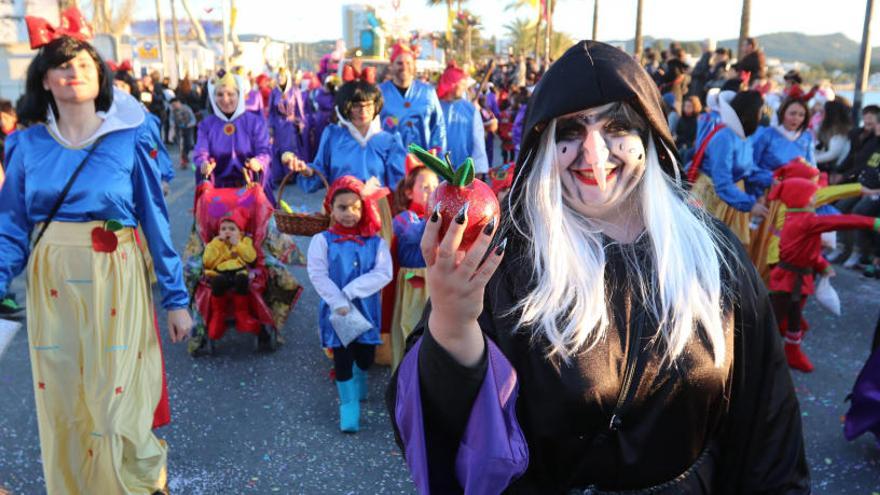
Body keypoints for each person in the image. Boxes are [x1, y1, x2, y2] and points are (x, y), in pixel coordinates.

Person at [387, 40, 808, 494]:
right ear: (543, 143)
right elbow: (449, 431)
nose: (594, 153)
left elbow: (768, 430)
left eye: (617, 126)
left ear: (649, 135)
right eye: (570, 131)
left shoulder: (714, 254)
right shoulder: (504, 257)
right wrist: (451, 324)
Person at [0, 15, 192, 493]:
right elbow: (11, 226)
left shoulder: (129, 137)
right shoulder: (24, 145)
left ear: (100, 75)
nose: (74, 73)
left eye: (84, 64)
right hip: (53, 283)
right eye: (62, 66)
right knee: (65, 403)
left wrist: (176, 297)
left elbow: (155, 220)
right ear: (44, 79)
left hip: (117, 275)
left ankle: (134, 484)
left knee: (116, 401)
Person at [306, 176, 392, 432]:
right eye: (342, 207)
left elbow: (383, 273)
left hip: (365, 310)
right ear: (330, 208)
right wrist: (337, 300)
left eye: (355, 207)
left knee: (365, 356)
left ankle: (359, 376)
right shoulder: (322, 241)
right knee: (341, 357)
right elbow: (317, 273)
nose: (349, 213)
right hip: (337, 312)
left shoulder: (376, 242)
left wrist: (352, 291)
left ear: (364, 208)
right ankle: (348, 406)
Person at [768, 177, 880, 372]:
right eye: (812, 196)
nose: (815, 199)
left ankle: (790, 351)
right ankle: (760, 351)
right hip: (789, 280)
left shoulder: (796, 218)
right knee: (773, 318)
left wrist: (821, 265)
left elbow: (801, 251)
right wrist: (872, 222)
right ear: (801, 199)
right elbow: (841, 221)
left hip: (796, 278)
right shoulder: (807, 221)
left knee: (793, 318)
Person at [285, 78, 406, 242]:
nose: (363, 111)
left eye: (368, 105)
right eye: (356, 105)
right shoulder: (333, 136)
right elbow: (320, 170)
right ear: (346, 107)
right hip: (341, 213)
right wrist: (307, 171)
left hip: (376, 218)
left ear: (375, 106)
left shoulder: (389, 141)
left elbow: (397, 185)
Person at [687, 89, 769, 246]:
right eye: (759, 112)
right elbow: (722, 183)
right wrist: (750, 204)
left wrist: (772, 179)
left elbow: (748, 170)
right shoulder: (725, 138)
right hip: (711, 196)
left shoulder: (744, 136)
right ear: (749, 114)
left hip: (732, 198)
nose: (761, 117)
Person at [193, 71, 273, 200]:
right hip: (218, 192)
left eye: (230, 94)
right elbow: (200, 152)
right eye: (219, 94)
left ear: (239, 95)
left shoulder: (254, 122)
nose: (225, 99)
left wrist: (258, 161)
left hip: (251, 188)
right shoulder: (206, 125)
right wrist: (204, 163)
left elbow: (265, 150)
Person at [389, 164, 438, 370]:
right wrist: (435, 215)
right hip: (413, 279)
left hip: (435, 278)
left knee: (434, 327)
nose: (432, 192)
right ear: (409, 192)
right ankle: (407, 371)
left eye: (436, 187)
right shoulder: (403, 218)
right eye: (425, 187)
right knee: (411, 324)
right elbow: (414, 234)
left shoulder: (435, 218)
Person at [378, 42, 446, 151]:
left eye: (408, 63)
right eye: (399, 63)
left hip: (422, 161)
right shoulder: (380, 92)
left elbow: (438, 126)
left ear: (414, 65)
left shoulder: (428, 92)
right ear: (391, 66)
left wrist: (437, 158)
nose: (404, 67)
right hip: (390, 161)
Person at [202, 212, 260, 339]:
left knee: (242, 280)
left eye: (232, 229)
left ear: (240, 232)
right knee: (217, 282)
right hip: (220, 273)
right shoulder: (215, 243)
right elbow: (207, 262)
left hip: (239, 272)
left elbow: (251, 257)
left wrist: (237, 244)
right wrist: (216, 244)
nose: (227, 232)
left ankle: (242, 314)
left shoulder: (245, 240)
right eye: (223, 229)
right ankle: (218, 316)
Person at [437, 62, 490, 176]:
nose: (464, 87)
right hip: (437, 172)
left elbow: (478, 142)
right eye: (462, 83)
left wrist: (478, 171)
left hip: (463, 173)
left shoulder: (470, 110)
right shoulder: (434, 108)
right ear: (452, 84)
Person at [268, 68, 309, 190]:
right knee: (278, 150)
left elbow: (300, 109)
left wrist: (301, 123)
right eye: (278, 77)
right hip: (278, 125)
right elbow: (271, 112)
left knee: (291, 149)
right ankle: (281, 176)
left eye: (282, 77)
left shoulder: (294, 91)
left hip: (290, 126)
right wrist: (270, 127)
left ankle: (293, 174)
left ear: (287, 78)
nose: (280, 79)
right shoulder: (274, 92)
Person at [171, 97, 197, 169]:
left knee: (188, 144)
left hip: (188, 127)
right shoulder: (172, 110)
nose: (174, 106)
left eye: (174, 104)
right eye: (172, 105)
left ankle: (185, 156)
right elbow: (171, 119)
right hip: (178, 128)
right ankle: (183, 160)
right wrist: (172, 125)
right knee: (180, 145)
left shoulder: (186, 108)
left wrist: (190, 124)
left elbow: (193, 118)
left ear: (178, 102)